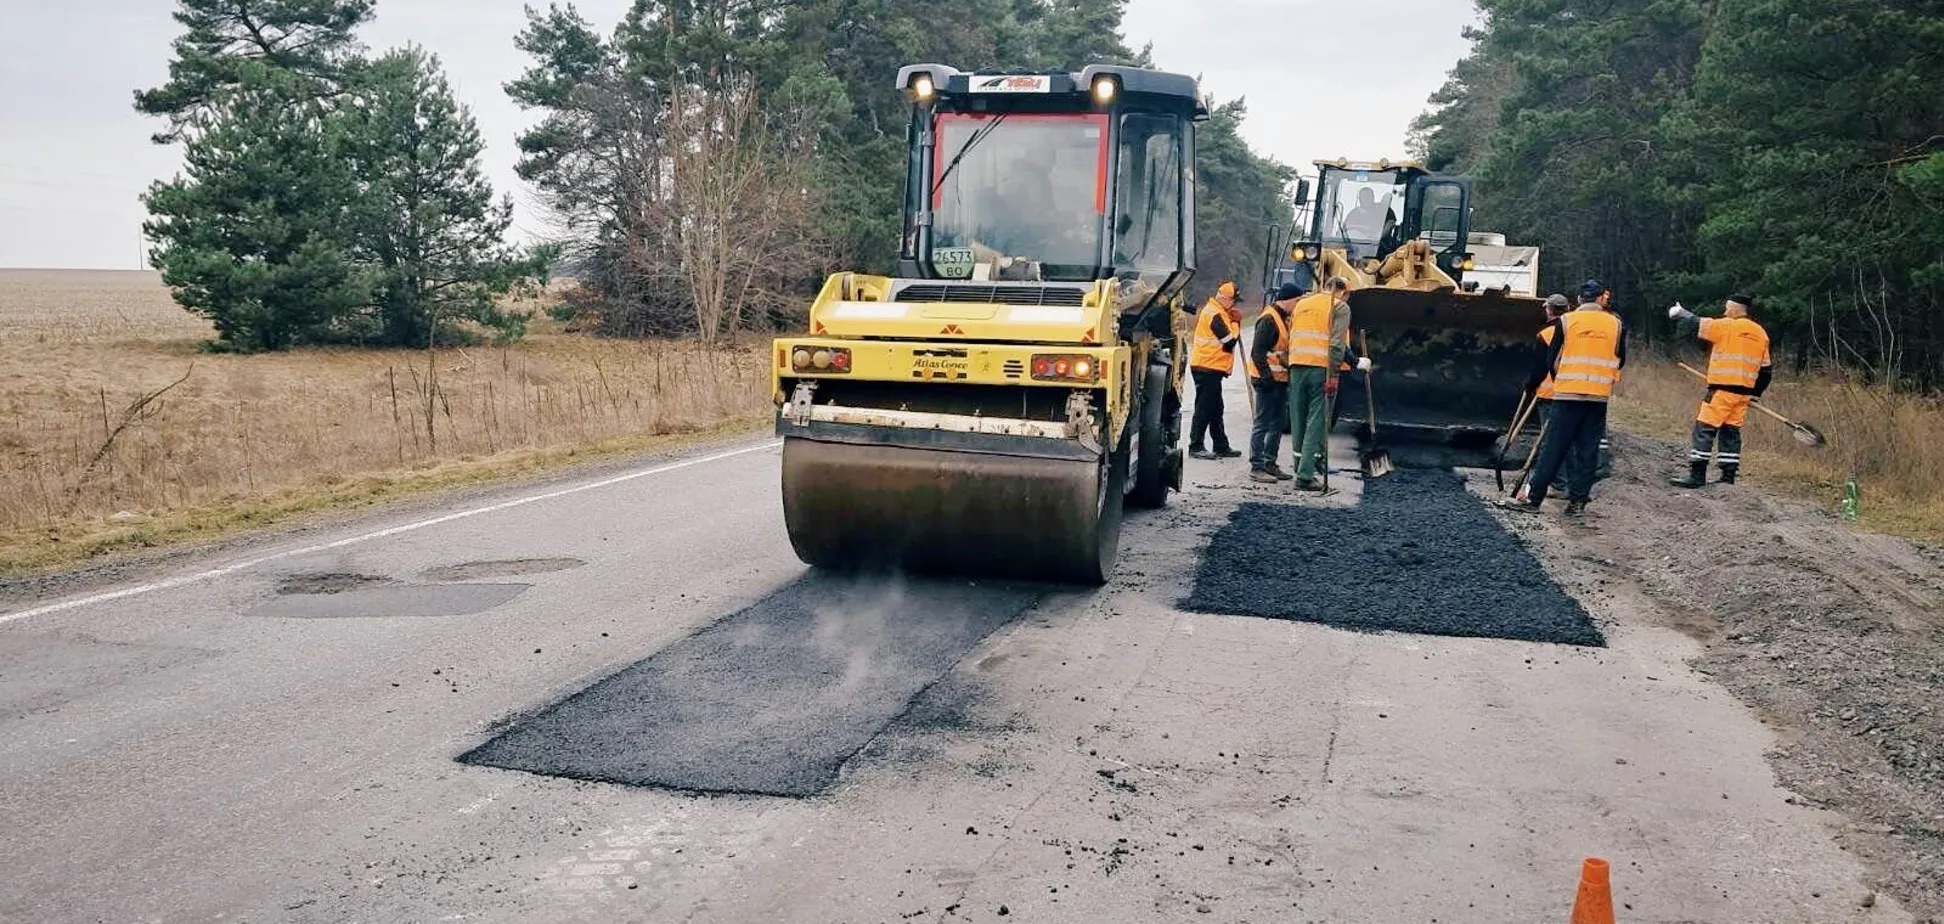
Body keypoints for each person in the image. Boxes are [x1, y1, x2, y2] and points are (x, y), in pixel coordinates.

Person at [1499, 289, 1627, 518]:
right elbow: (1621, 359)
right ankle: (1577, 503)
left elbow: (1551, 359)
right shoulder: (1616, 324)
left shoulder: (1567, 322)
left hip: (1567, 395)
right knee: (1588, 451)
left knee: (1552, 448)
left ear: (1578, 300)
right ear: (1600, 299)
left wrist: (1563, 380)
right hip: (1598, 397)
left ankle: (1533, 498)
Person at [1667, 294, 1773, 487]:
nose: (1724, 312)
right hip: (1743, 395)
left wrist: (1679, 312)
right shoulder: (1760, 333)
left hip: (1721, 391)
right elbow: (1766, 371)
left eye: (1727, 308)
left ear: (1735, 309)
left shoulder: (1726, 326)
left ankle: (1697, 476)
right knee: (1730, 432)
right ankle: (1728, 477)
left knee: (1704, 429)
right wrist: (1756, 394)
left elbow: (1696, 322)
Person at [1287, 276, 1367, 491]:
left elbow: (1292, 335)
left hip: (1296, 365)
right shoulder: (1339, 307)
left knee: (1299, 419)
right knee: (1317, 420)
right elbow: (1336, 344)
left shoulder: (1302, 304)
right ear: (1345, 293)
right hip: (1320, 368)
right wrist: (1333, 374)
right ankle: (1305, 476)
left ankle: (1303, 464)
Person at [1247, 282, 1300, 483]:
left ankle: (1270, 462)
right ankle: (1257, 466)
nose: (1297, 305)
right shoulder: (1269, 320)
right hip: (1266, 381)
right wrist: (1267, 378)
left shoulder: (1283, 318)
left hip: (1279, 381)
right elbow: (1257, 353)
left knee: (1277, 423)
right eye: (1296, 301)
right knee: (1262, 423)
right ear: (1287, 300)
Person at [1188, 281, 1245, 460]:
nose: (1235, 305)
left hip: (1210, 367)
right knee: (1204, 408)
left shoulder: (1219, 311)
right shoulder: (1214, 314)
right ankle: (1195, 445)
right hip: (1207, 367)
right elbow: (1229, 340)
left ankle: (1221, 445)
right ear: (1227, 299)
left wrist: (1232, 318)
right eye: (1234, 301)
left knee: (1216, 408)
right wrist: (1236, 323)